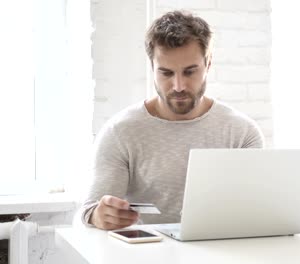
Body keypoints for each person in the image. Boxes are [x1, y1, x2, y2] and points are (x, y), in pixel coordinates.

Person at [80, 10, 265, 230]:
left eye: (189, 72)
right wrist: (98, 216)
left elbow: (255, 212)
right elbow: (89, 213)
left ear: (208, 64)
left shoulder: (242, 133)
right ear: (152, 68)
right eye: (166, 73)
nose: (178, 86)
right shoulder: (120, 132)